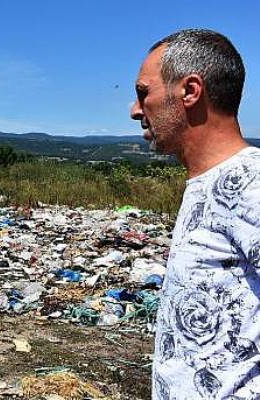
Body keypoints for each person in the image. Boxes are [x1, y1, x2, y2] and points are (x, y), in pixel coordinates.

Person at [131, 29, 260, 399]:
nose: (136, 110)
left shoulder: (250, 185)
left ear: (190, 91)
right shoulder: (206, 183)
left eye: (144, 92)